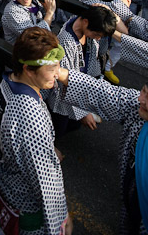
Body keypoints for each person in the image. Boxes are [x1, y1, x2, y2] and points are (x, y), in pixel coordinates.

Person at [0, 27, 71, 235]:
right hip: (27, 204)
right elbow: (44, 182)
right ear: (28, 69)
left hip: (7, 188)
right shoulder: (29, 115)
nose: (58, 73)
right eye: (52, 68)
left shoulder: (8, 81)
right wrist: (61, 221)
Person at [58, 69, 148, 235]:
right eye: (143, 91)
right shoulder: (139, 109)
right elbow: (106, 94)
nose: (140, 99)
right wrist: (60, 73)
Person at [47, 6, 117, 138]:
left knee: (73, 125)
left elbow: (95, 61)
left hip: (82, 87)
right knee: (58, 130)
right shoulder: (66, 41)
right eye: (96, 35)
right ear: (85, 22)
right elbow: (64, 81)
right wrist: (82, 113)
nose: (97, 39)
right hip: (63, 96)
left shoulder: (86, 28)